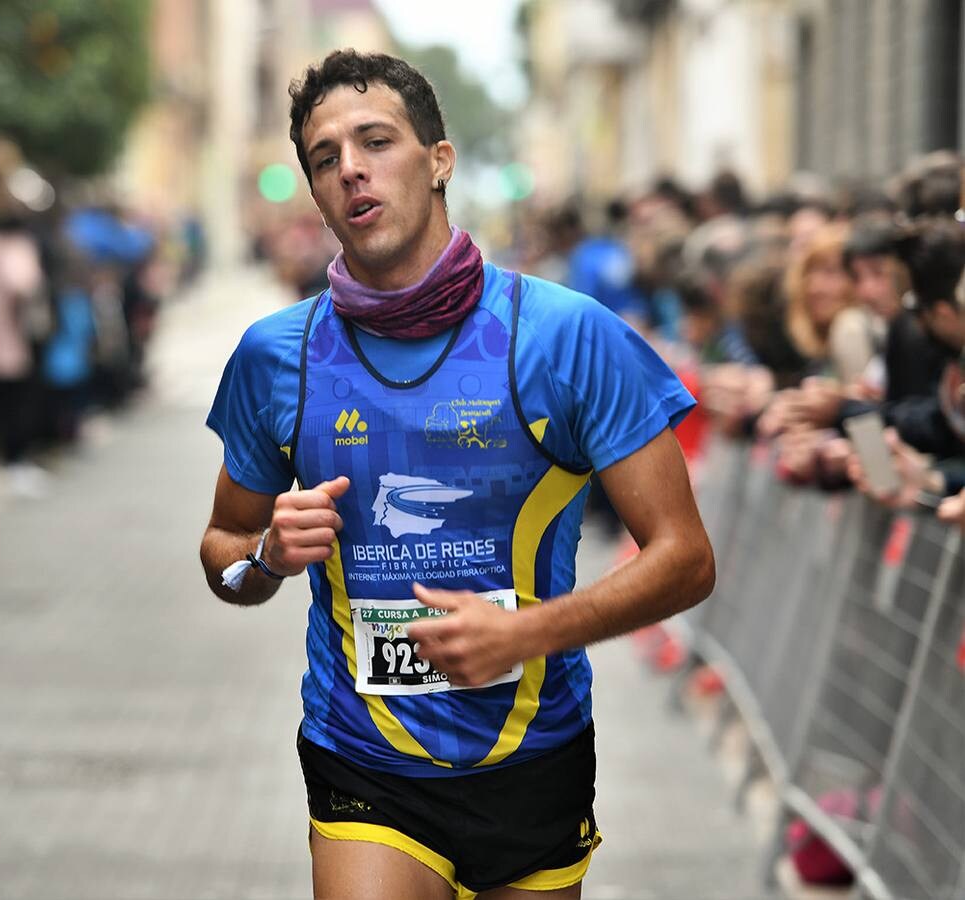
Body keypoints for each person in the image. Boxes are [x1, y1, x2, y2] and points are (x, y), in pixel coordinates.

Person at [199, 50, 714, 900]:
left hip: (531, 753)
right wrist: (263, 556)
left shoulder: (564, 338)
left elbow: (685, 558)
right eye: (325, 159)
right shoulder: (275, 358)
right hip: (362, 757)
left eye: (376, 141)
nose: (352, 169)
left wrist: (526, 635)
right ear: (316, 191)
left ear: (439, 160)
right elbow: (222, 553)